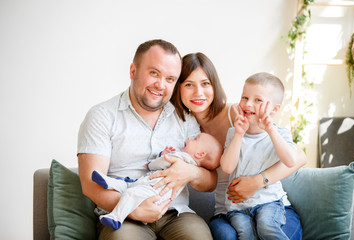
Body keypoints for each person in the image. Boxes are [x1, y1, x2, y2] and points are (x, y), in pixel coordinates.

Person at [77, 40, 216, 240]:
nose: (161, 85)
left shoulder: (185, 117)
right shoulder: (102, 115)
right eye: (154, 73)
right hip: (124, 212)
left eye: (170, 79)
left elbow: (211, 181)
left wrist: (191, 172)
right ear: (133, 71)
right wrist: (134, 209)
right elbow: (91, 184)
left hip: (175, 214)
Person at [171, 52, 307, 240]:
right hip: (230, 211)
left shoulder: (238, 114)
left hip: (269, 205)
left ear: (214, 85)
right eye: (188, 84)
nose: (198, 93)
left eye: (205, 83)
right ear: (177, 89)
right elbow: (209, 180)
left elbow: (299, 157)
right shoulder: (182, 131)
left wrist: (259, 181)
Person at [221, 72, 297, 239]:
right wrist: (239, 134)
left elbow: (291, 161)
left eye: (258, 100)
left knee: (267, 228)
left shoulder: (280, 134)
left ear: (274, 109)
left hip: (269, 203)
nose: (248, 104)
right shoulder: (234, 132)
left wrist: (270, 129)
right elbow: (227, 167)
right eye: (245, 97)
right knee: (245, 235)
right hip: (237, 208)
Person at [91, 132, 222, 230]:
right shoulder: (187, 161)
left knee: (130, 192)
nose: (189, 138)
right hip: (154, 192)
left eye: (194, 139)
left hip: (152, 191)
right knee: (129, 186)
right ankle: (109, 182)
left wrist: (157, 159)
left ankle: (116, 217)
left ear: (200, 154)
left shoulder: (180, 156)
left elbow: (156, 164)